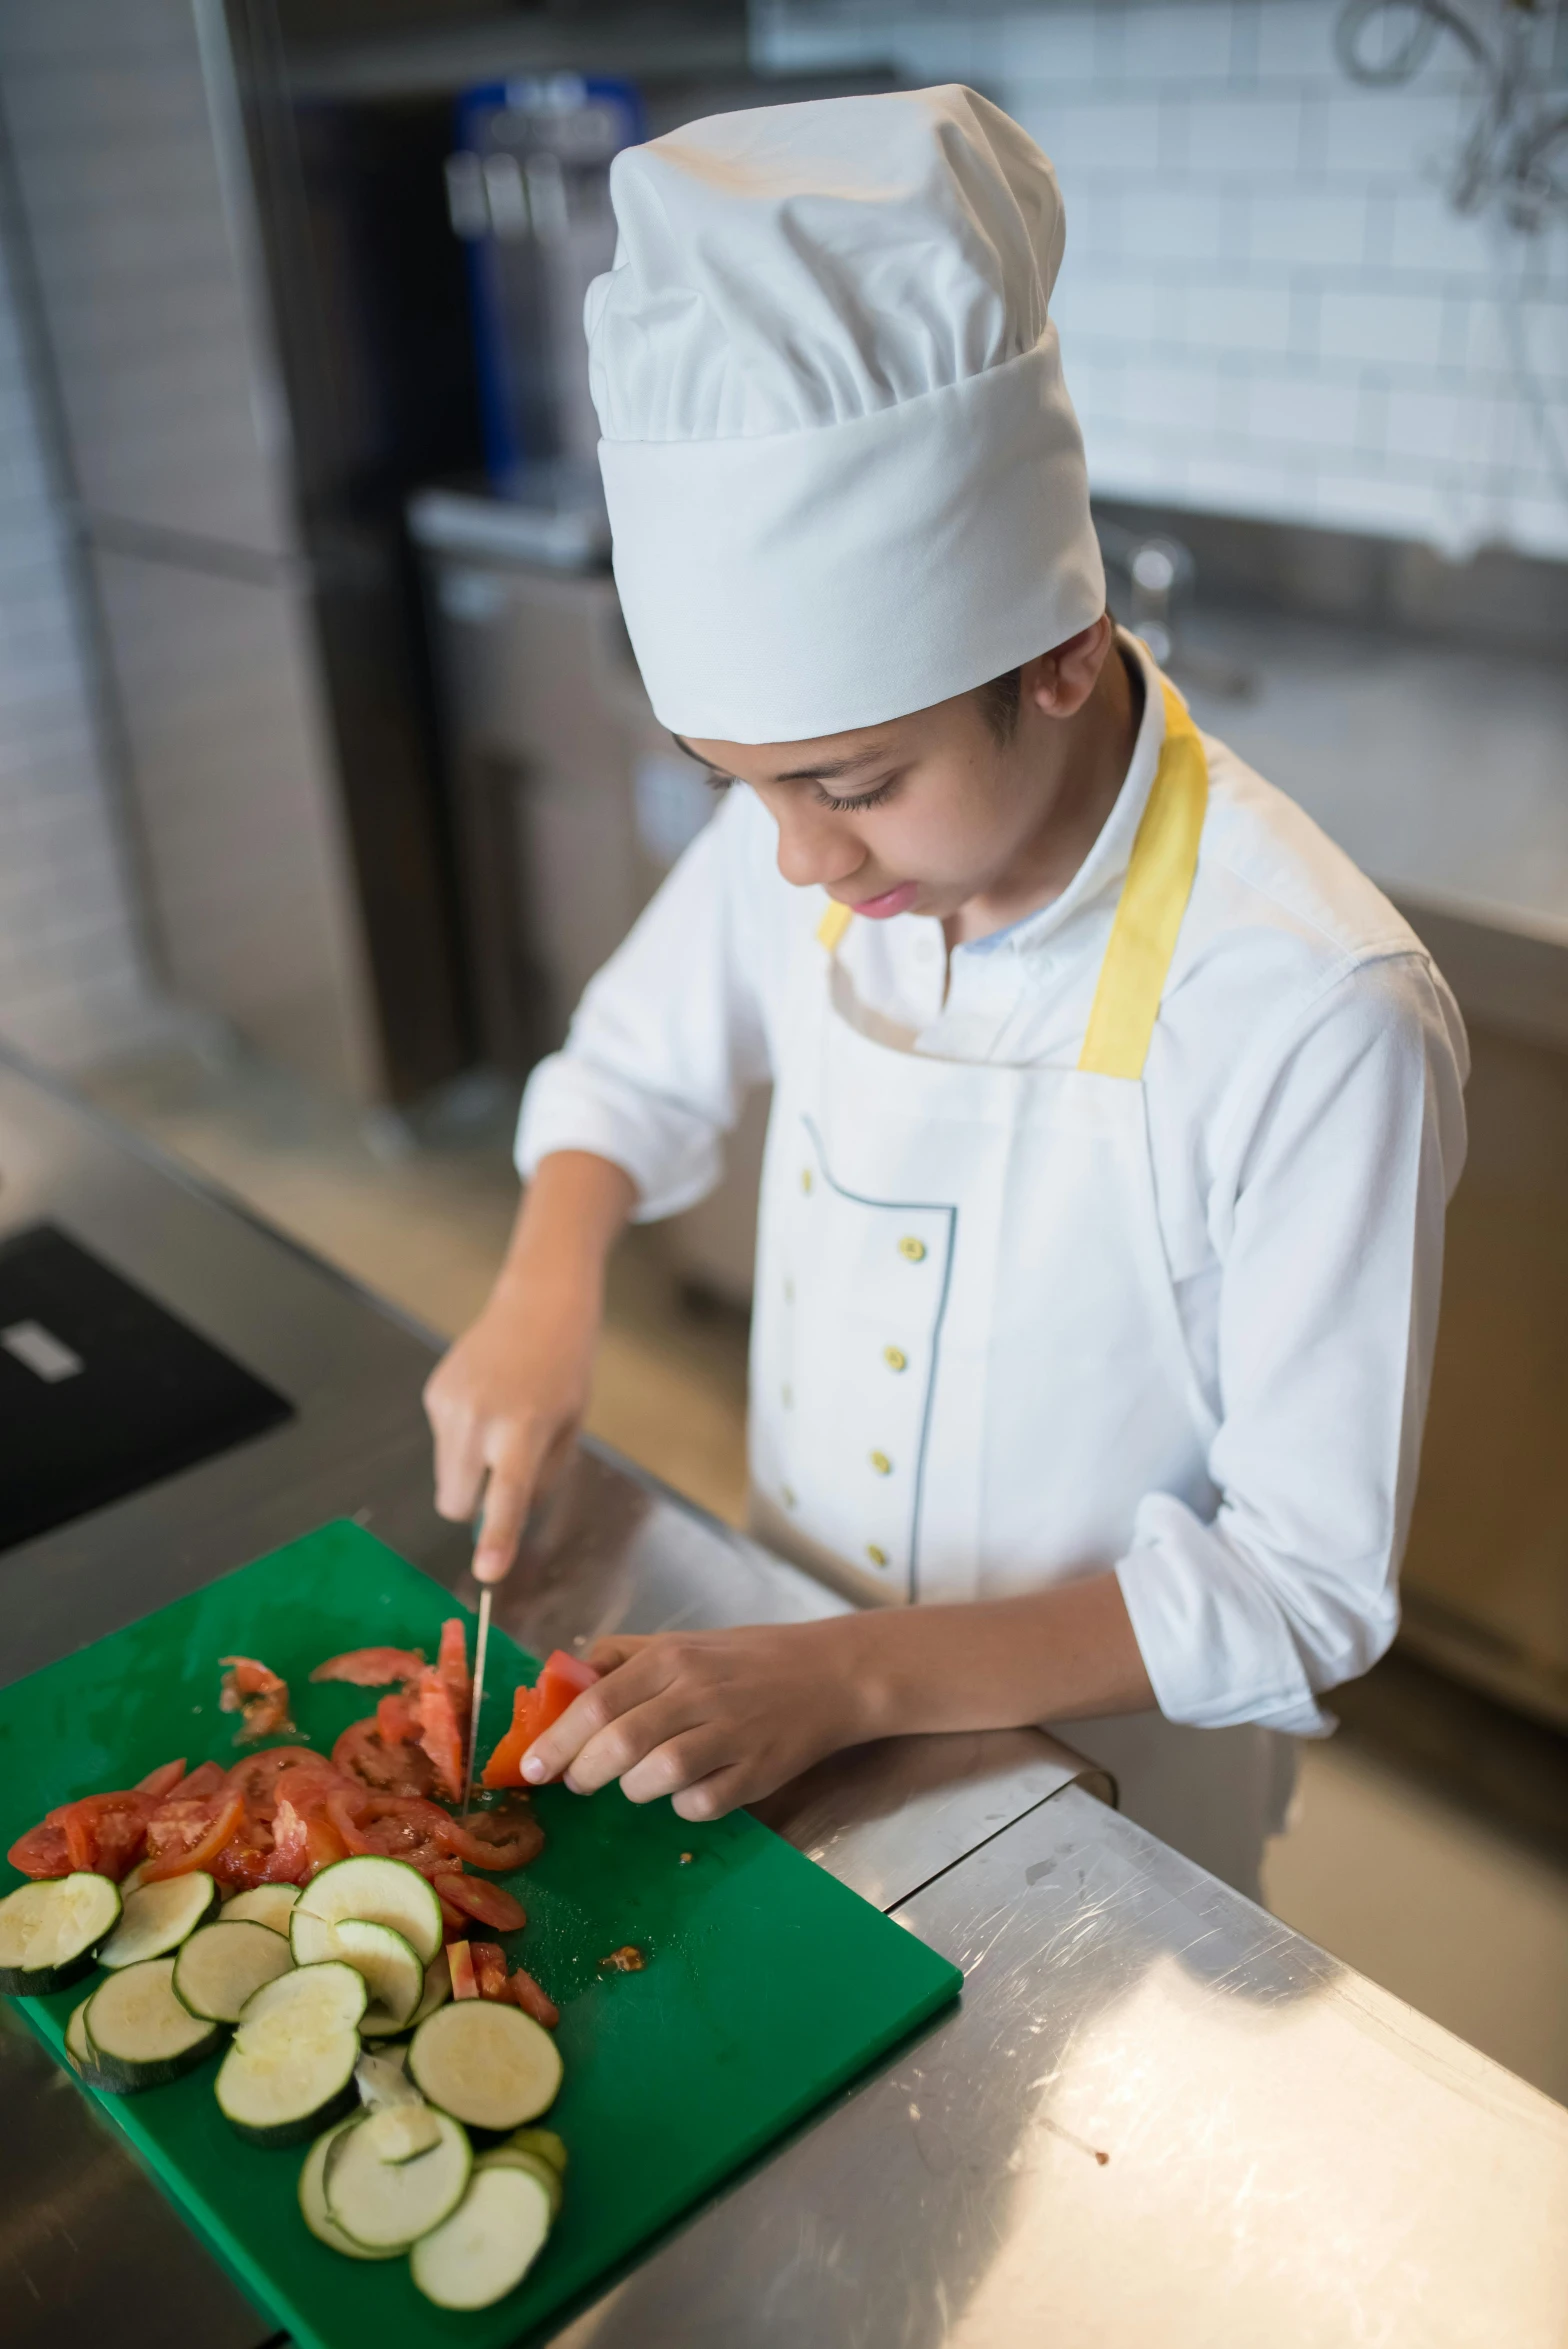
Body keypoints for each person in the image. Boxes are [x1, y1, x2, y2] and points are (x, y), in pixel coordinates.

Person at [424, 86, 1467, 1896]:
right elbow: (626, 1076)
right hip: (781, 1705)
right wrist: (543, 1283)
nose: (799, 864)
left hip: (1105, 1817)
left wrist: (853, 1676)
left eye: (845, 785)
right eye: (735, 783)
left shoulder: (1315, 1009)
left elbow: (1304, 1586)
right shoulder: (832, 826)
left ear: (1059, 659)